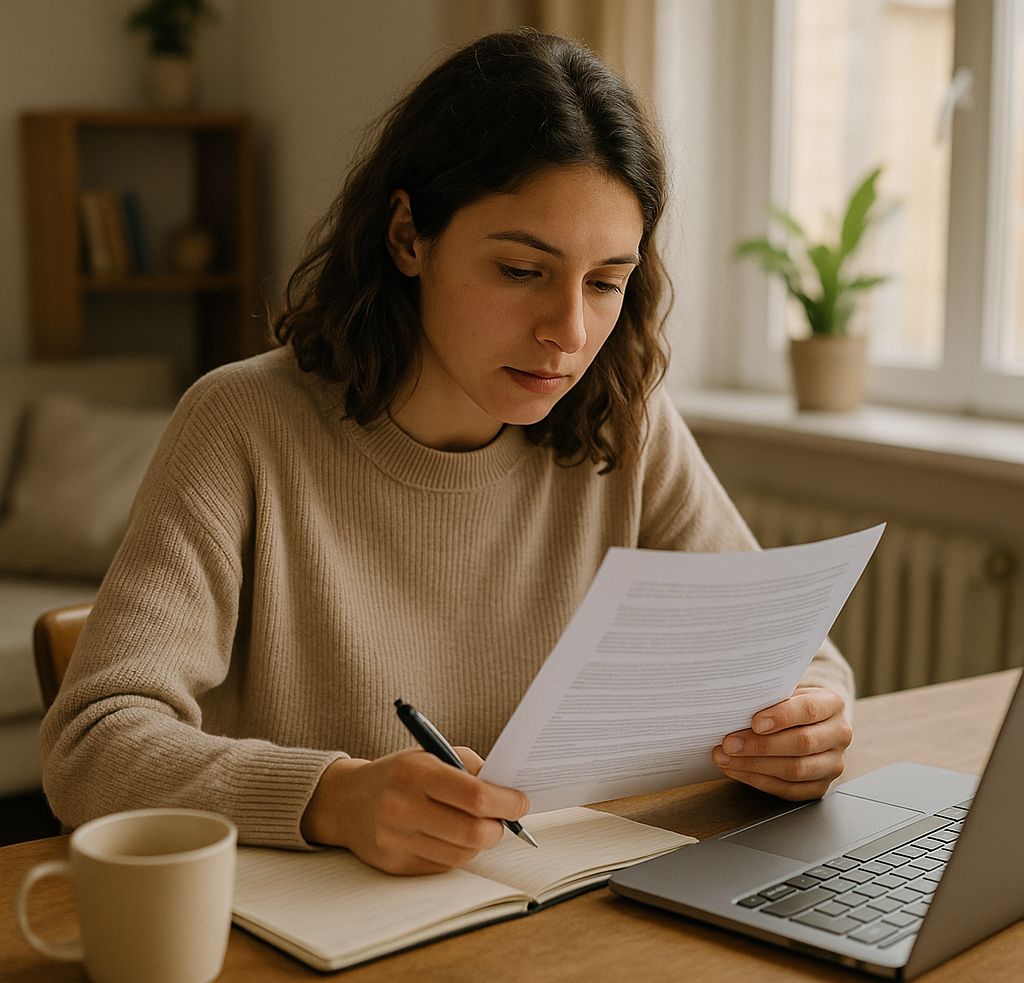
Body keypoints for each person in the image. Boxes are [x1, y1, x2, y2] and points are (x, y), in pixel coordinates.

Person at [41, 28, 853, 876]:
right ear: (407, 236)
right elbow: (90, 742)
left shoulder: (623, 418)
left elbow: (798, 657)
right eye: (521, 270)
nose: (569, 333)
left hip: (560, 911)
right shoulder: (241, 424)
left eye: (605, 282)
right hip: (324, 933)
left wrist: (808, 722)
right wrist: (332, 798)